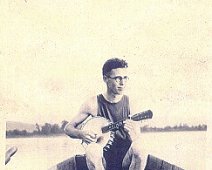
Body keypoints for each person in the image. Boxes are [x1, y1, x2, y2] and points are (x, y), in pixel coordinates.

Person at [64, 58, 147, 170]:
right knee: (92, 149)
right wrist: (81, 134)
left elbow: (136, 139)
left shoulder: (131, 104)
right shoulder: (93, 103)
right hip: (101, 160)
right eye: (117, 78)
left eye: (125, 78)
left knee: (140, 147)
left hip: (125, 160)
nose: (122, 83)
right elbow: (68, 128)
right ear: (105, 79)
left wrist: (134, 136)